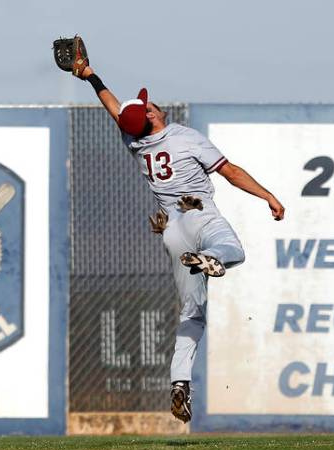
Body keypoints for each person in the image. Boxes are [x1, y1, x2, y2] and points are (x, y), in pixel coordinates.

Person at [76, 65, 286, 423]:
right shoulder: (185, 137)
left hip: (172, 231)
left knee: (191, 315)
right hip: (198, 214)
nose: (152, 105)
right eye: (148, 106)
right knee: (233, 250)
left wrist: (91, 77)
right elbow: (231, 172)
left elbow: (114, 108)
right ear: (152, 118)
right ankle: (211, 259)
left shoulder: (134, 140)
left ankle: (179, 384)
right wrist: (268, 196)